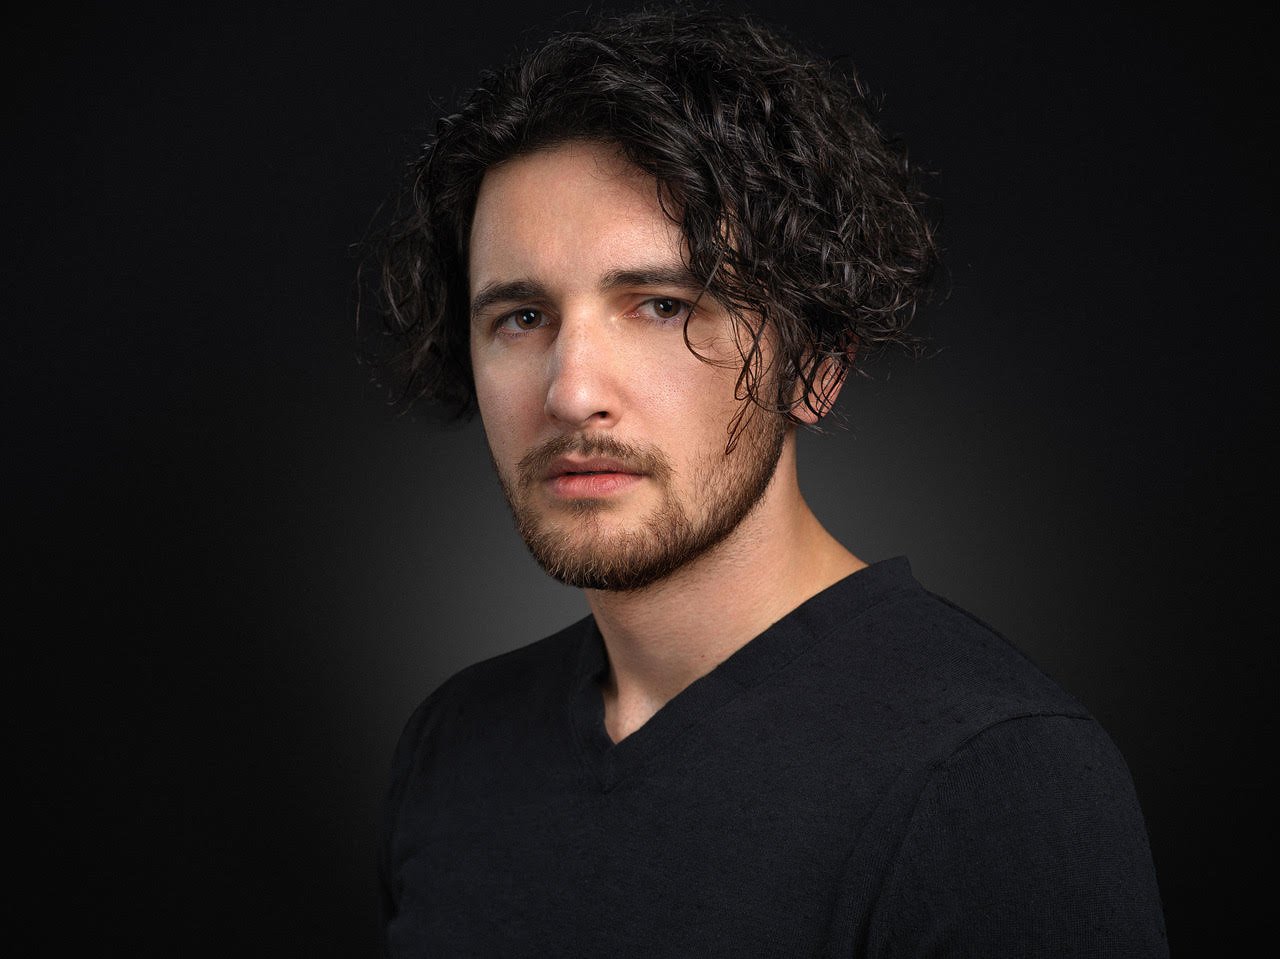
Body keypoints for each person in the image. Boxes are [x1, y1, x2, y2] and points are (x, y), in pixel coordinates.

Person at [370, 7, 1168, 956]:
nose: (572, 389)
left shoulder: (998, 780)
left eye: (663, 306)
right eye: (521, 316)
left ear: (817, 364)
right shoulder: (453, 746)